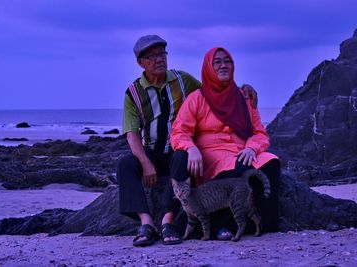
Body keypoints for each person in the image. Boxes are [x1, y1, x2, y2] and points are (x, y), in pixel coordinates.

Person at [117, 35, 258, 247]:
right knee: (125, 164)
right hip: (152, 150)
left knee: (183, 157)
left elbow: (215, 90)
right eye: (152, 56)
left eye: (162, 54)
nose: (159, 59)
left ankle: (167, 222)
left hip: (177, 148)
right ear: (140, 63)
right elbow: (132, 134)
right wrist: (146, 164)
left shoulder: (183, 80)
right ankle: (146, 223)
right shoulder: (134, 93)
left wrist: (243, 90)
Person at [170, 47, 281, 240]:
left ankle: (265, 221)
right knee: (237, 166)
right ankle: (222, 225)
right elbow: (179, 132)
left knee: (271, 161)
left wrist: (251, 147)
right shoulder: (197, 98)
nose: (223, 65)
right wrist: (191, 147)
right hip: (211, 154)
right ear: (208, 67)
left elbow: (260, 133)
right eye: (217, 62)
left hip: (242, 150)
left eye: (227, 61)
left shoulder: (244, 96)